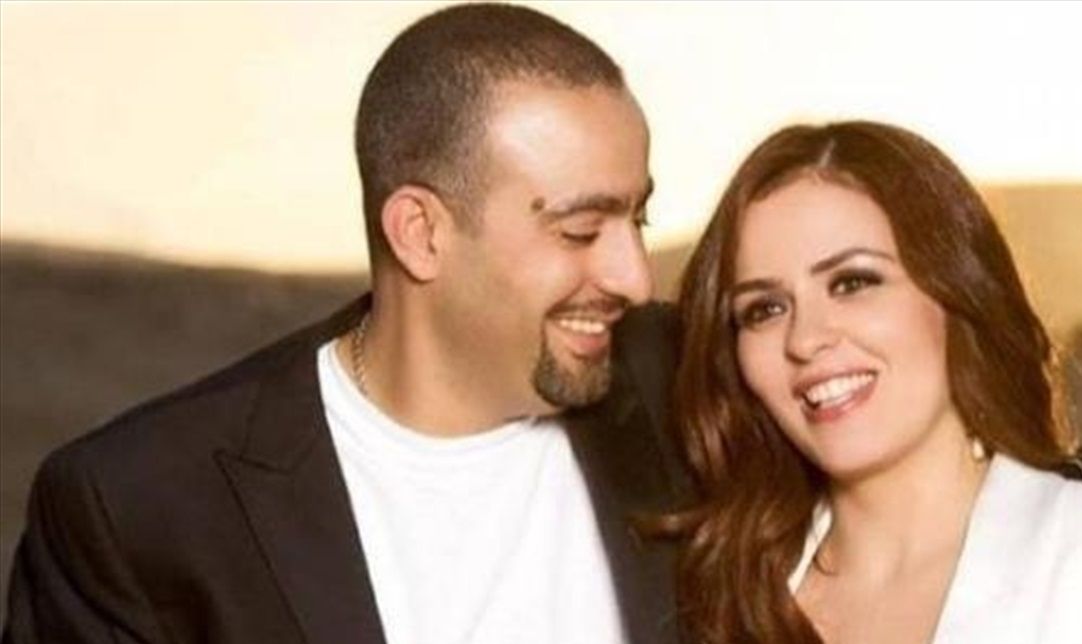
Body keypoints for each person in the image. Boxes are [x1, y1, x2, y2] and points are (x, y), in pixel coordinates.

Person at [3, 5, 688, 643]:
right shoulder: (133, 506)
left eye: (639, 220)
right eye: (580, 231)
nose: (633, 278)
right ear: (419, 233)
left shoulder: (690, 383)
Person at [668, 121, 1082, 643]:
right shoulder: (721, 596)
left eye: (852, 283)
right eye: (764, 309)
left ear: (956, 294)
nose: (805, 338)